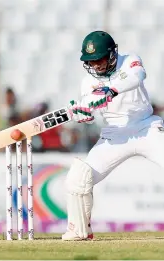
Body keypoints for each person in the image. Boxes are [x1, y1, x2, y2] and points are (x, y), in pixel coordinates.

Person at [62, 31, 164, 241]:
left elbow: (137, 77)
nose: (96, 65)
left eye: (99, 59)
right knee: (78, 178)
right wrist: (84, 116)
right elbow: (90, 114)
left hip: (146, 127)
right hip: (115, 134)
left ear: (111, 54)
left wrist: (110, 90)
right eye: (91, 61)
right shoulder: (87, 82)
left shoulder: (130, 60)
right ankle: (79, 230)